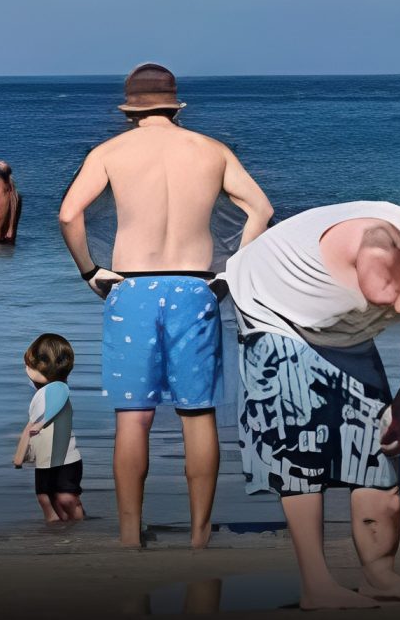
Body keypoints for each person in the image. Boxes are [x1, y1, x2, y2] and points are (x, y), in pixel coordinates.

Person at [225, 200, 400, 609]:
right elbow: (387, 294)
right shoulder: (379, 240)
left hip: (342, 327)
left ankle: (380, 575)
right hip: (275, 310)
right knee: (302, 453)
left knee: (378, 452)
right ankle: (316, 585)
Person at [58, 62, 274, 549]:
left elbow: (69, 214)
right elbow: (261, 209)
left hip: (131, 289)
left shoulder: (110, 152)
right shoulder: (211, 151)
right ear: (176, 105)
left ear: (129, 108)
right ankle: (199, 537)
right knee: (197, 416)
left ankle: (131, 536)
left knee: (133, 418)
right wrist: (231, 271)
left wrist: (90, 270)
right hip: (195, 287)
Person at [13, 333, 85, 522]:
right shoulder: (42, 392)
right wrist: (22, 456)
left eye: (29, 365)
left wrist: (40, 424)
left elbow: (52, 408)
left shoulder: (58, 388)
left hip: (65, 459)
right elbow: (30, 426)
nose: (26, 368)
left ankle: (79, 527)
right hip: (45, 459)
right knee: (46, 498)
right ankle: (58, 532)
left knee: (65, 497)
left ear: (43, 366)